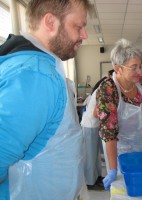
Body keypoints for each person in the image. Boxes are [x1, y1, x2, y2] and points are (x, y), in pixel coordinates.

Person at [0, 0, 92, 199]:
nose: (84, 35)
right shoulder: (36, 76)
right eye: (79, 26)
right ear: (50, 22)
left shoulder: (27, 64)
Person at [94, 38, 142, 191]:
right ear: (118, 68)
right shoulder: (108, 89)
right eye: (134, 67)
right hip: (121, 156)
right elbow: (109, 133)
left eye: (141, 66)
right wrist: (113, 169)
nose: (139, 72)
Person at [80, 69, 114, 190]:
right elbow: (96, 113)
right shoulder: (104, 88)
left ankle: (97, 177)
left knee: (95, 155)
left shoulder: (103, 87)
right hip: (89, 125)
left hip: (94, 126)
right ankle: (90, 182)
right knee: (90, 156)